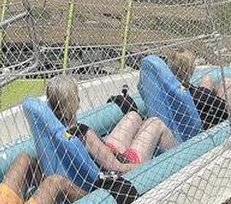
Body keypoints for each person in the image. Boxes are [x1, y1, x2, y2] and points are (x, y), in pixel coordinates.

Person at [45, 74, 176, 174]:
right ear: (74, 100)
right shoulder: (83, 133)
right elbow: (118, 168)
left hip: (107, 152)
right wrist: (151, 166)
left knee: (133, 116)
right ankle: (179, 155)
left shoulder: (53, 129)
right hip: (122, 162)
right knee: (155, 123)